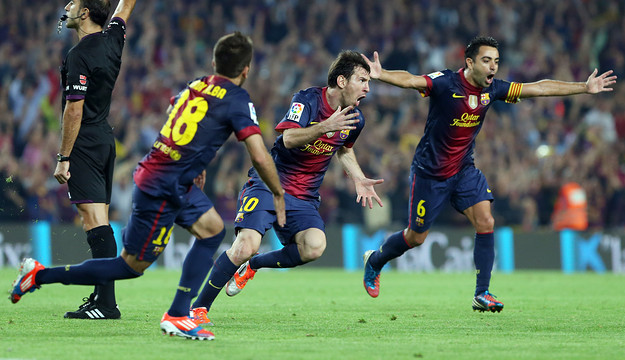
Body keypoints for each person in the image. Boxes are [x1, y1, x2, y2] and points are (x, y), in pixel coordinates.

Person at [10, 32, 286, 341]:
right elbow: (259, 155)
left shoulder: (197, 84)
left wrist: (194, 164)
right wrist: (277, 192)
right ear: (246, 70)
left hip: (172, 177)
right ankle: (39, 275)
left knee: (212, 230)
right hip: (162, 184)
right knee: (129, 267)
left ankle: (180, 313)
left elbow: (175, 113)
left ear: (213, 62)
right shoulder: (237, 99)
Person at [360, 36, 616, 312]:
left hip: (463, 170)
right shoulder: (447, 83)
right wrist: (381, 74)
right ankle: (376, 260)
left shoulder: (493, 89)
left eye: (496, 61)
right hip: (430, 174)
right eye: (486, 60)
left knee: (485, 220)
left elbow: (539, 88)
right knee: (415, 237)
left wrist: (585, 87)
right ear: (469, 62)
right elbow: (412, 80)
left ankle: (482, 293)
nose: (493, 67)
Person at [187, 50, 384, 326]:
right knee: (246, 245)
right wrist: (324, 126)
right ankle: (198, 309)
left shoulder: (356, 118)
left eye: (369, 82)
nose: (367, 88)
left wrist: (358, 178)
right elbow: (289, 137)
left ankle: (253, 267)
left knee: (314, 247)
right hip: (270, 184)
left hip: (304, 196)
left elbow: (344, 149)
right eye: (362, 80)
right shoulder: (307, 100)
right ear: (341, 81)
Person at [52, 0, 136, 319]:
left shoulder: (80, 55)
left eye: (72, 3)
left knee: (94, 221)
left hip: (85, 141)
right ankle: (104, 300)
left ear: (84, 14)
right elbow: (125, 7)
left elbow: (74, 109)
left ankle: (106, 304)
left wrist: (64, 157)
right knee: (100, 217)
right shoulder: (113, 38)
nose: (67, 6)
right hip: (105, 138)